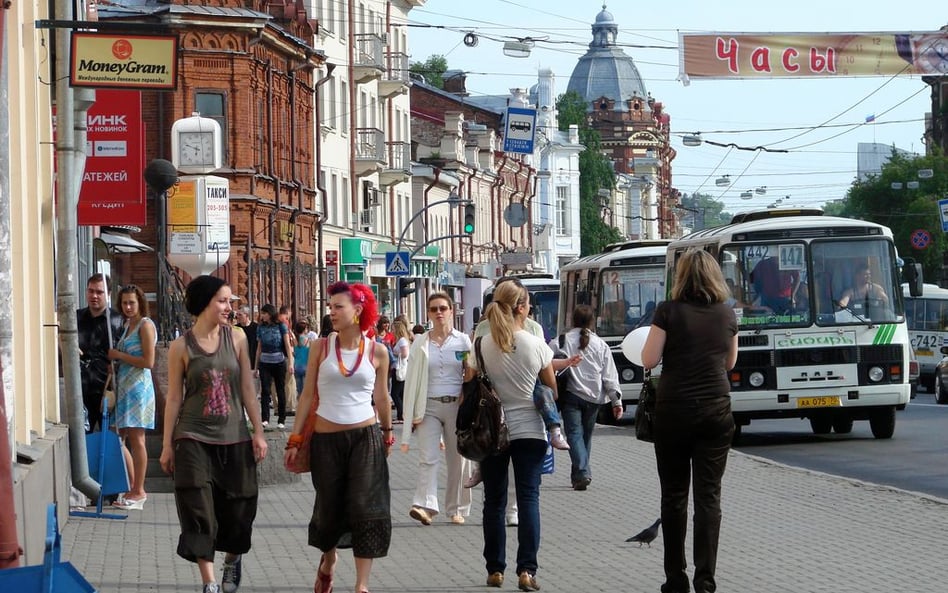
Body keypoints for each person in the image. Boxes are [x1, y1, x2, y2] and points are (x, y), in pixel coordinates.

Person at [160, 275, 268, 593]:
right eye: (223, 301)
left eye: (230, 301)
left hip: (234, 436)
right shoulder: (181, 346)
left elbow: (247, 388)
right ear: (205, 303)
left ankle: (232, 559)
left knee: (241, 507)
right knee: (196, 505)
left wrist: (258, 432)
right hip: (192, 436)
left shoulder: (236, 339)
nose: (229, 307)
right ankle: (209, 584)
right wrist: (167, 445)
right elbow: (175, 398)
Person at [283, 281, 393, 593]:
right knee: (329, 507)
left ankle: (361, 585)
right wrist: (294, 439)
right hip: (325, 440)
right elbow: (306, 397)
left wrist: (387, 434)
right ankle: (328, 560)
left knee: (365, 506)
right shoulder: (321, 347)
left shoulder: (378, 352)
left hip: (365, 437)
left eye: (338, 307)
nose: (332, 312)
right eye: (330, 307)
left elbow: (382, 398)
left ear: (358, 311)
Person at [641, 249, 739, 593]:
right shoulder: (727, 315)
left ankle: (675, 578)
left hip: (675, 411)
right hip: (716, 410)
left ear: (681, 277)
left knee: (674, 496)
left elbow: (649, 358)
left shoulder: (668, 312)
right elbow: (729, 364)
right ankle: (706, 580)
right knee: (709, 497)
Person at [472, 280, 555, 592]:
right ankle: (527, 571)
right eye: (529, 303)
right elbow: (552, 390)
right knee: (529, 498)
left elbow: (470, 382)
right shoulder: (535, 344)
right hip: (530, 430)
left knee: (493, 501)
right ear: (521, 307)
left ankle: (495, 569)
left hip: (493, 431)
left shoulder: (482, 345)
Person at [400, 292, 473, 526]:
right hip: (428, 405)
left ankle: (457, 508)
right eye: (434, 309)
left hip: (456, 405)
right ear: (429, 313)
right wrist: (410, 412)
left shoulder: (462, 341)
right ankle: (426, 506)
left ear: (451, 310)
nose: (439, 312)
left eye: (443, 308)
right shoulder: (420, 342)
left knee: (458, 459)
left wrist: (466, 392)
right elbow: (411, 379)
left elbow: (470, 371)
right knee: (427, 458)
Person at [550, 304, 623, 491]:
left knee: (574, 435)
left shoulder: (560, 341)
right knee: (585, 437)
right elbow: (609, 375)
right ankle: (580, 475)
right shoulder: (601, 345)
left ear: (571, 320)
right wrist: (616, 401)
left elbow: (546, 363)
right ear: (592, 322)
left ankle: (581, 473)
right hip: (594, 399)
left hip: (571, 396)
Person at [107, 285, 157, 510]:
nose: (127, 307)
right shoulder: (128, 325)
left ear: (140, 303)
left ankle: (139, 489)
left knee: (137, 439)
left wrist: (119, 355)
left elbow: (148, 362)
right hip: (125, 387)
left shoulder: (145, 325)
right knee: (117, 436)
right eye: (124, 303)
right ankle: (132, 485)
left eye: (132, 303)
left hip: (139, 389)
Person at [77, 273, 124, 432]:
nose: (94, 296)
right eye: (91, 291)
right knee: (82, 439)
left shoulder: (118, 321)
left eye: (99, 292)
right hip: (81, 389)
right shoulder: (76, 318)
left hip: (107, 390)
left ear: (109, 294)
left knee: (110, 439)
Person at [254, 304, 292, 429]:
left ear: (270, 313)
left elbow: (287, 345)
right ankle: (265, 419)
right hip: (264, 362)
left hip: (279, 361)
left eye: (264, 313)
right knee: (265, 390)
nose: (262, 316)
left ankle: (281, 419)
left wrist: (290, 363)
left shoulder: (281, 326)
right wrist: (256, 367)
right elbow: (258, 348)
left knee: (280, 390)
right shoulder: (260, 327)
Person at [390, 318, 412, 424]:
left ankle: (401, 414)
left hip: (400, 369)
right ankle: (403, 414)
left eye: (393, 329)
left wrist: (393, 354)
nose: (392, 331)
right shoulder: (400, 340)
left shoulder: (402, 340)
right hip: (398, 368)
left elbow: (404, 354)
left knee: (395, 393)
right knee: (401, 393)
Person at [293, 320, 317, 400]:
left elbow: (294, 353)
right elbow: (311, 354)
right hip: (306, 367)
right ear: (304, 329)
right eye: (306, 328)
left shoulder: (295, 340)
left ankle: (299, 405)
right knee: (305, 390)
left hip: (296, 366)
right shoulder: (308, 341)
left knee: (299, 390)